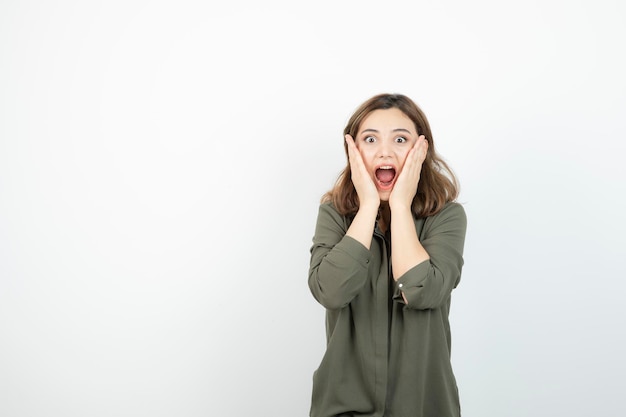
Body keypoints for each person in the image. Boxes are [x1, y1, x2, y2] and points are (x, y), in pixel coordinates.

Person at [308, 93, 467, 417]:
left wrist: (399, 206)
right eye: (370, 139)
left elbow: (421, 290)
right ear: (353, 151)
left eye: (400, 139)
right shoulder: (334, 214)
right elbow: (330, 290)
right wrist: (368, 207)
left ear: (421, 149)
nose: (385, 150)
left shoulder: (447, 217)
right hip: (342, 408)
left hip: (425, 407)